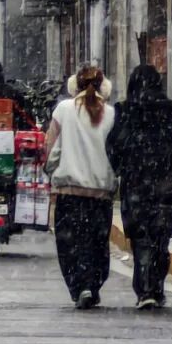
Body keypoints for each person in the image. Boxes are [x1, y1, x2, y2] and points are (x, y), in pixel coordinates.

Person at [107, 64, 172, 309]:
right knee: (161, 238)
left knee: (141, 238)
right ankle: (156, 286)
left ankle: (144, 288)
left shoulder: (125, 110)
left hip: (136, 186)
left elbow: (115, 146)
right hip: (166, 187)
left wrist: (121, 169)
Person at [45, 65, 116, 310]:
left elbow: (51, 148)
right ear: (104, 87)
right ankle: (92, 284)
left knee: (70, 244)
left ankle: (79, 286)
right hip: (100, 192)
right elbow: (114, 153)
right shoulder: (111, 114)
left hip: (69, 192)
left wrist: (49, 170)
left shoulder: (63, 110)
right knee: (97, 243)